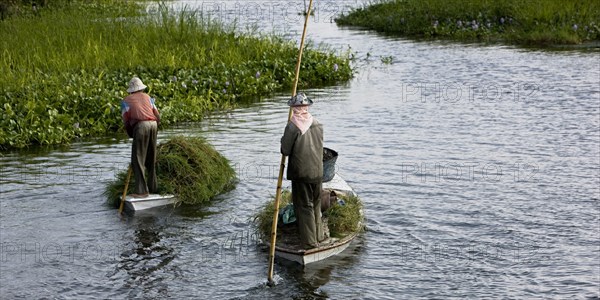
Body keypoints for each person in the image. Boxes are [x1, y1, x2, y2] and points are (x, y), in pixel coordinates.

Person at [280, 92, 325, 249]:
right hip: (318, 172)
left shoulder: (293, 126)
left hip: (301, 174)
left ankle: (310, 243)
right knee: (316, 204)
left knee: (304, 207)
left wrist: (284, 137)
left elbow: (285, 149)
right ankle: (320, 236)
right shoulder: (318, 123)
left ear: (295, 109)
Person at [121, 77, 160, 198]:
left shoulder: (125, 101)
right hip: (153, 124)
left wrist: (132, 134)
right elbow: (157, 115)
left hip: (141, 126)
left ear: (131, 91)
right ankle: (153, 187)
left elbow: (126, 121)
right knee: (151, 156)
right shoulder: (148, 97)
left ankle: (142, 191)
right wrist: (154, 128)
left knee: (137, 159)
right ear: (141, 88)